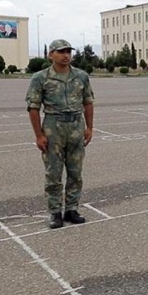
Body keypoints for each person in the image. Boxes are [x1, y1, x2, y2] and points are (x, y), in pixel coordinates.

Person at [25, 39, 95, 229]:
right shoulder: (40, 77)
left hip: (75, 126)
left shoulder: (81, 76)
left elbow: (88, 101)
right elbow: (33, 107)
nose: (66, 55)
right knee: (53, 173)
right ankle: (55, 212)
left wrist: (89, 127)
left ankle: (71, 209)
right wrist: (39, 135)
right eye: (61, 52)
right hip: (53, 127)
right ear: (51, 55)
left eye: (68, 52)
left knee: (75, 172)